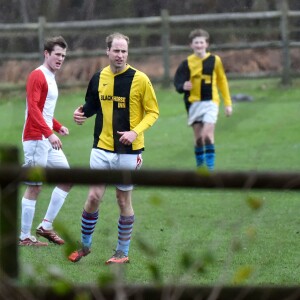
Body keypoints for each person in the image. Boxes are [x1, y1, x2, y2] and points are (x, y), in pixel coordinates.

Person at [68, 32, 159, 264]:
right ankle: (85, 246)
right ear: (107, 51)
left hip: (129, 151)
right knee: (93, 196)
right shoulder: (98, 77)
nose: (120, 55)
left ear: (128, 53)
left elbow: (153, 112)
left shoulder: (141, 79)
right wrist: (81, 113)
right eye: (116, 50)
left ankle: (122, 252)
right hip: (100, 146)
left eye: (124, 51)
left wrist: (134, 132)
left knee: (122, 200)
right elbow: (92, 104)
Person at [19, 36, 72, 246]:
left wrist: (57, 126)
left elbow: (45, 111)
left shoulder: (51, 76)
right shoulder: (37, 75)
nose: (60, 59)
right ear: (46, 54)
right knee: (35, 186)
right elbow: (33, 109)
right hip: (35, 138)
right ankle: (24, 237)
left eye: (63, 56)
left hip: (47, 137)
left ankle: (45, 226)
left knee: (67, 178)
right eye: (57, 54)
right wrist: (50, 133)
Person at [174, 28, 233, 171]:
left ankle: (210, 169)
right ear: (191, 45)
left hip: (211, 102)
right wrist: (183, 86)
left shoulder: (215, 60)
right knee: (199, 139)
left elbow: (222, 81)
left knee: (207, 135)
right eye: (196, 43)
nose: (199, 45)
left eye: (201, 42)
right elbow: (177, 82)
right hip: (193, 103)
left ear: (206, 44)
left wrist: (228, 103)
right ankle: (201, 168)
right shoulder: (186, 63)